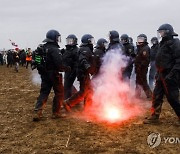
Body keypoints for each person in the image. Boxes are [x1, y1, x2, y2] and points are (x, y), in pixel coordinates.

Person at [144, 24, 180, 125]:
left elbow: (178, 61)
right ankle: (155, 116)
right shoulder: (162, 44)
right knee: (156, 95)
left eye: (162, 32)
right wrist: (158, 74)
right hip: (161, 74)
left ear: (168, 32)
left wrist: (172, 75)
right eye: (159, 32)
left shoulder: (175, 43)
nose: (160, 34)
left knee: (172, 98)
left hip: (170, 75)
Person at [33, 29, 69, 121]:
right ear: (54, 38)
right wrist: (67, 68)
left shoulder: (42, 48)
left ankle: (38, 111)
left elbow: (37, 60)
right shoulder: (54, 49)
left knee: (44, 92)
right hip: (54, 74)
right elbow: (59, 64)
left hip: (44, 74)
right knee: (59, 93)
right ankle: (56, 113)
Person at [63, 34, 96, 112]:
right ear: (88, 41)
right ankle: (68, 103)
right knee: (83, 92)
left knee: (89, 91)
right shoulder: (84, 49)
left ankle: (88, 108)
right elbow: (82, 59)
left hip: (84, 73)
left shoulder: (86, 49)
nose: (92, 42)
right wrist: (87, 66)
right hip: (83, 74)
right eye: (91, 40)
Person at [135, 34, 152, 99]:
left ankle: (149, 95)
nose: (140, 41)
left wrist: (141, 66)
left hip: (142, 68)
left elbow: (146, 59)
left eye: (141, 39)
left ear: (145, 40)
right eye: (139, 39)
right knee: (138, 81)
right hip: (138, 68)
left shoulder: (145, 48)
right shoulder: (140, 48)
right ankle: (137, 95)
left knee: (143, 81)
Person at [63, 34, 79, 100]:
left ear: (74, 41)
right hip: (67, 71)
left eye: (71, 41)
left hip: (72, 71)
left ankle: (67, 100)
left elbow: (76, 63)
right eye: (68, 40)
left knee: (67, 86)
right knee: (67, 86)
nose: (69, 42)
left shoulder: (76, 50)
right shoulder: (67, 50)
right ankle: (73, 98)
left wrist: (73, 73)